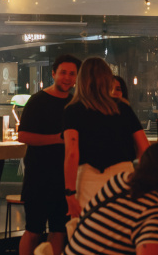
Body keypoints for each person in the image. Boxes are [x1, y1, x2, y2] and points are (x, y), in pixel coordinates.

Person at [13, 54, 81, 255]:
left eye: (72, 74)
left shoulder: (76, 104)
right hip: (39, 175)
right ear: (53, 73)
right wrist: (58, 138)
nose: (67, 78)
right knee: (32, 229)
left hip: (66, 178)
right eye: (63, 72)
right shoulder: (38, 100)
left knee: (59, 231)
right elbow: (23, 136)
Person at [63, 57, 149, 217]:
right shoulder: (123, 107)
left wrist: (69, 193)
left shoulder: (73, 110)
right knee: (122, 228)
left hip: (89, 178)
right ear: (108, 79)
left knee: (89, 228)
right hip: (124, 176)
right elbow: (145, 148)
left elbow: (72, 153)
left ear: (81, 80)